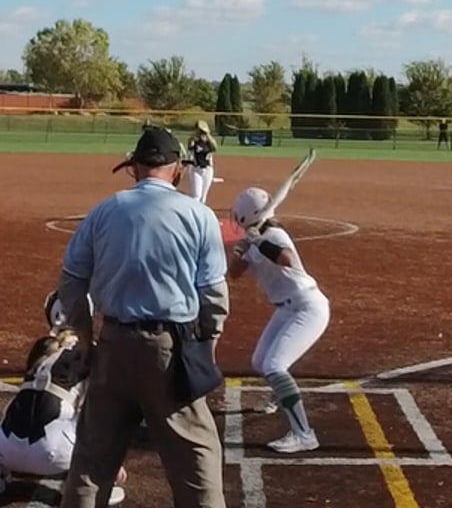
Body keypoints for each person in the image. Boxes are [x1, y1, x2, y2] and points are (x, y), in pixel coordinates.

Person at [54, 127, 229, 508]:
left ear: (134, 167)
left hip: (112, 347)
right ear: (178, 170)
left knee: (91, 463)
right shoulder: (199, 215)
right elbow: (214, 297)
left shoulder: (104, 211)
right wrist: (206, 346)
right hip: (170, 351)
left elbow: (71, 281)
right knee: (197, 461)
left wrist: (84, 337)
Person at [228, 186, 330, 454]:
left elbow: (286, 258)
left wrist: (258, 241)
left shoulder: (274, 234)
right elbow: (234, 274)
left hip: (308, 307)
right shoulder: (256, 237)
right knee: (259, 361)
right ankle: (279, 395)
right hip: (287, 309)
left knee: (274, 366)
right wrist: (240, 250)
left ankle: (304, 434)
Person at [0, 330, 129, 504]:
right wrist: (113, 463)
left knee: (15, 407)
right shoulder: (88, 356)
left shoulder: (41, 360)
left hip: (2, 448)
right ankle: (96, 483)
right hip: (53, 455)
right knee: (94, 416)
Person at [185, 120, 218, 205]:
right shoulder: (194, 140)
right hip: (196, 169)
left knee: (203, 197)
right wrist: (195, 135)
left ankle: (200, 211)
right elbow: (190, 145)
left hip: (208, 170)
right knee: (196, 195)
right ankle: (193, 211)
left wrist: (207, 134)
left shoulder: (209, 142)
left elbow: (215, 147)